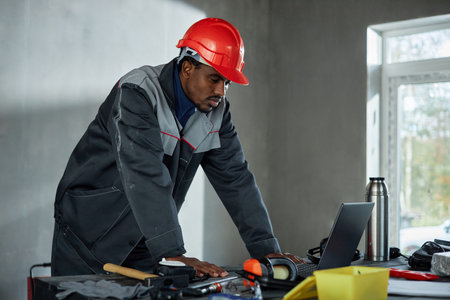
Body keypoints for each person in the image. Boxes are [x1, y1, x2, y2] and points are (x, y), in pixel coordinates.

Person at [51, 17, 285, 277]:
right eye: (215, 78)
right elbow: (144, 171)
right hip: (88, 232)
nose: (221, 91)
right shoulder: (137, 93)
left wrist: (265, 249)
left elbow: (235, 177)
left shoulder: (216, 112)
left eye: (227, 83)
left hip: (144, 237)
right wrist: (173, 252)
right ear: (187, 68)